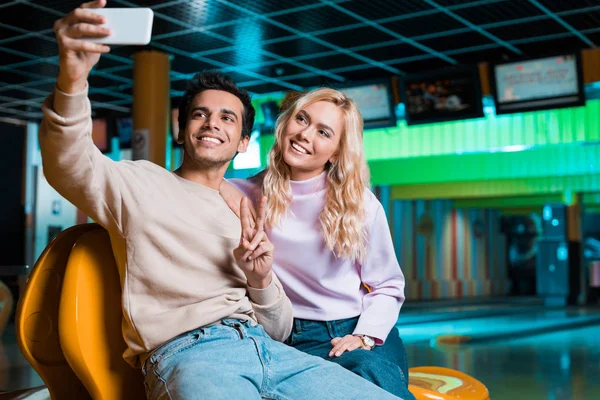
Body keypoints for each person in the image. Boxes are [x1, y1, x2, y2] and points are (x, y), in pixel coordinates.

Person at [41, 1, 404, 399]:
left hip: (271, 348)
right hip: (190, 354)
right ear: (181, 131)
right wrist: (72, 80)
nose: (213, 122)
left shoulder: (249, 209)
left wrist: (262, 278)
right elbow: (69, 162)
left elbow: (281, 326)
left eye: (228, 118)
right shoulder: (137, 186)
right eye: (199, 114)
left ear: (243, 142)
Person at [222, 87, 415, 399]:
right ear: (285, 123)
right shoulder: (242, 193)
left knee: (369, 375)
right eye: (301, 119)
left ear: (336, 151)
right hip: (284, 334)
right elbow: (188, 186)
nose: (304, 134)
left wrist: (364, 335)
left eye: (323, 132)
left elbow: (388, 285)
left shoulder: (359, 204)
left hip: (352, 330)